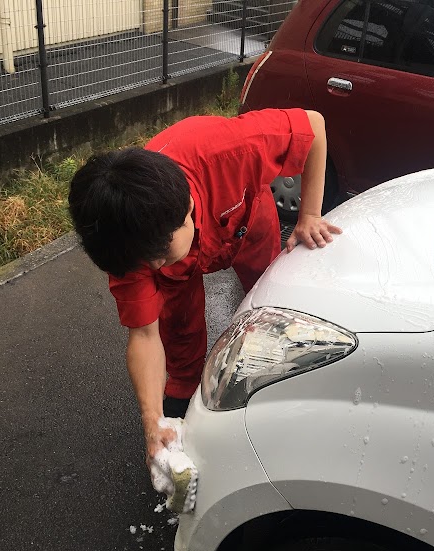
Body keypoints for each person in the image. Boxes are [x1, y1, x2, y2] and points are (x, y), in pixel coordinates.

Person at [68, 108, 341, 463]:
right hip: (174, 248)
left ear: (189, 208)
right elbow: (144, 335)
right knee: (179, 331)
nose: (151, 268)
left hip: (246, 228)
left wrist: (309, 215)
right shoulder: (126, 239)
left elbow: (315, 124)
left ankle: (272, 387)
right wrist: (152, 422)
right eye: (141, 263)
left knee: (268, 306)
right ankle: (185, 394)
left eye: (160, 256)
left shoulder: (234, 149)